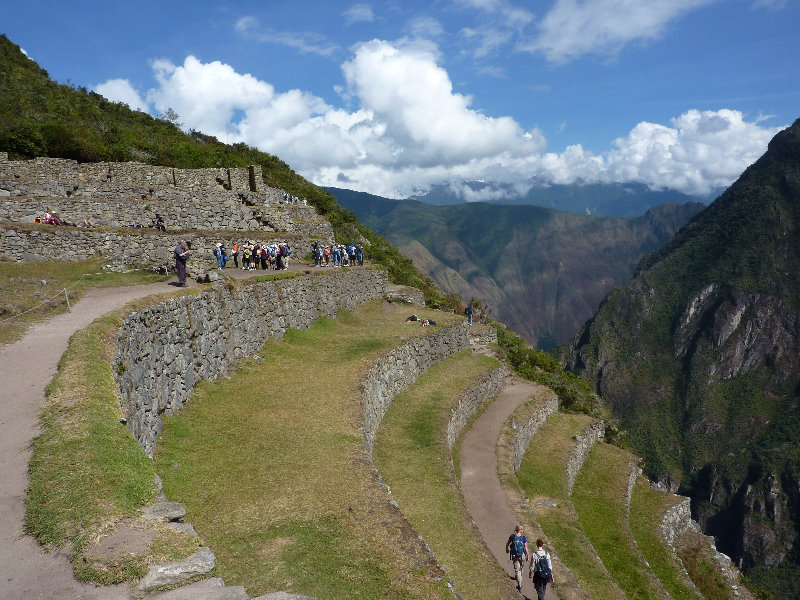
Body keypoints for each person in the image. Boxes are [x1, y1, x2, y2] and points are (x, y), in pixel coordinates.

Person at [505, 524, 529, 592]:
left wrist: (507, 549)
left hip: (515, 556)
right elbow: (526, 548)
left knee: (517, 570)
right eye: (522, 529)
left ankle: (520, 585)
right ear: (520, 530)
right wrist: (528, 556)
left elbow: (507, 544)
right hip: (522, 555)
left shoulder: (512, 536)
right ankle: (520, 577)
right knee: (521, 568)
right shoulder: (523, 538)